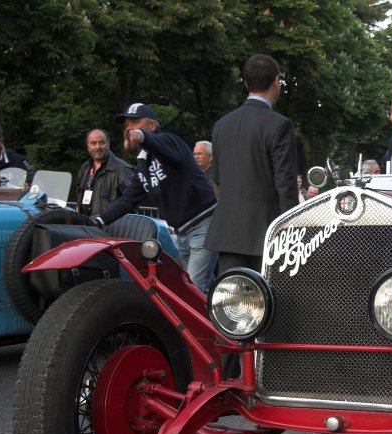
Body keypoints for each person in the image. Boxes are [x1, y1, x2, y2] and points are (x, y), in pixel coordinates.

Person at [94, 103, 217, 293]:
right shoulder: (143, 161)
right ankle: (226, 315)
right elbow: (128, 198)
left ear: (152, 126)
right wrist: (99, 220)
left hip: (203, 224)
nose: (130, 127)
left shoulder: (170, 142)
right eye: (127, 123)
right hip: (180, 233)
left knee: (195, 289)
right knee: (199, 286)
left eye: (135, 122)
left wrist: (141, 137)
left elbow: (158, 144)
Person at [206, 53, 298, 275]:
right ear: (276, 82)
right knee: (270, 301)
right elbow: (285, 185)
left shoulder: (222, 125)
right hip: (267, 234)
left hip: (228, 232)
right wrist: (293, 230)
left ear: (246, 82)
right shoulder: (279, 125)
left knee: (232, 304)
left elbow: (217, 179)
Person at [74, 128, 133, 216]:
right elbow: (78, 192)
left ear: (108, 144)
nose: (98, 147)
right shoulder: (85, 168)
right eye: (93, 143)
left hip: (112, 226)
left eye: (101, 142)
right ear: (88, 147)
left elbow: (133, 200)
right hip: (86, 224)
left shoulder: (122, 169)